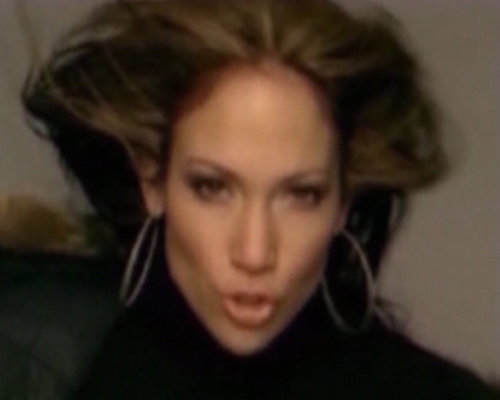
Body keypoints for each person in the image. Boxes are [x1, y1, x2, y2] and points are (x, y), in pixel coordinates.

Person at [22, 0, 499, 398]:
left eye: (301, 195)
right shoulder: (46, 370)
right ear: (152, 181)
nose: (254, 253)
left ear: (344, 200)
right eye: (212, 188)